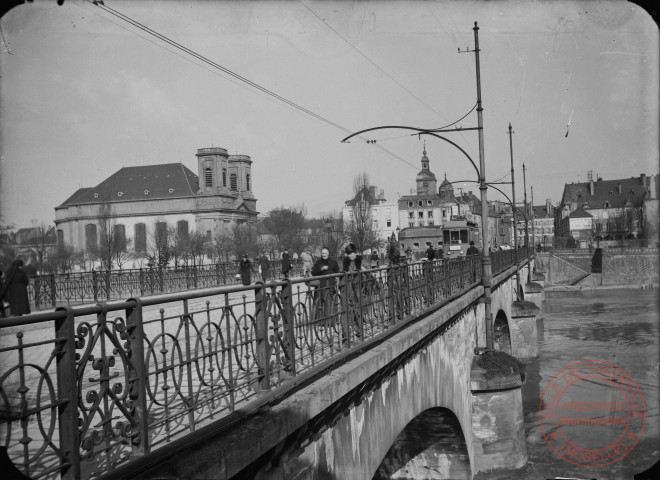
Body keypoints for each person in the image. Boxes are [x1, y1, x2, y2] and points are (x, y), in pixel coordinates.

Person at [311, 247, 340, 317]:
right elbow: (313, 273)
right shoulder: (318, 262)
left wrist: (337, 281)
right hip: (320, 286)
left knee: (330, 302)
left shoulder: (333, 262)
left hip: (330, 285)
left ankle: (331, 319)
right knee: (319, 302)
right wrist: (321, 268)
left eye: (325, 253)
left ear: (328, 253)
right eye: (323, 253)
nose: (324, 255)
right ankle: (320, 320)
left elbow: (338, 273)